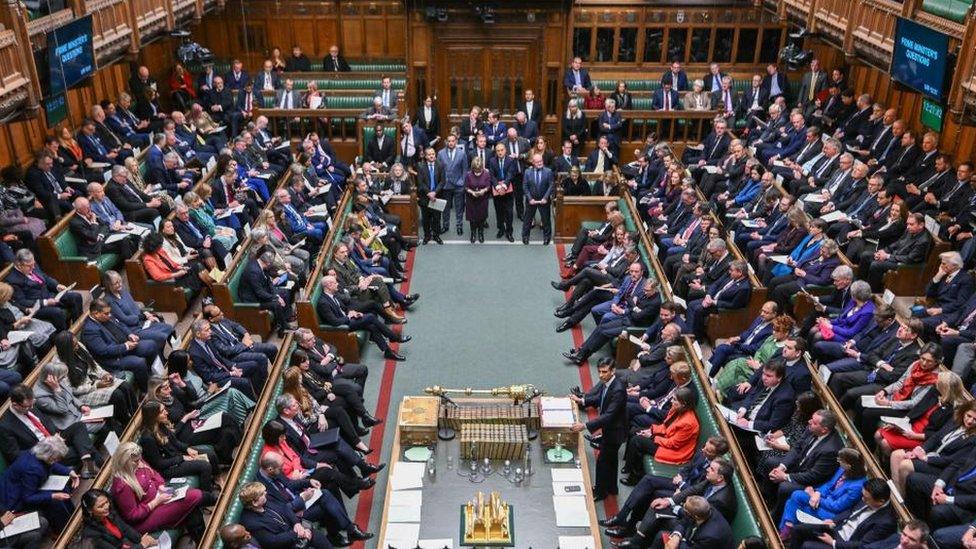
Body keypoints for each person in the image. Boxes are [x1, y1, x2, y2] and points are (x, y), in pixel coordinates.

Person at [109, 442, 210, 537]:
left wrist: (161, 486)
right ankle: (215, 499)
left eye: (140, 459)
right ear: (125, 462)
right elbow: (132, 515)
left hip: (159, 496)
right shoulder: (122, 485)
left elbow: (155, 475)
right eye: (136, 461)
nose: (140, 463)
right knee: (194, 496)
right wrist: (156, 502)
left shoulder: (137, 461)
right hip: (145, 518)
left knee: (193, 513)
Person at [54, 330, 138, 425]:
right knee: (116, 395)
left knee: (125, 386)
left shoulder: (79, 347)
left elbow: (93, 364)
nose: (77, 346)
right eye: (74, 345)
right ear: (66, 349)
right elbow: (72, 389)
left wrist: (104, 374)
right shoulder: (59, 366)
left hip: (94, 381)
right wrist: (96, 386)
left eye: (76, 342)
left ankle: (137, 414)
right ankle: (127, 423)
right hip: (82, 393)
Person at [570, 358, 625, 501]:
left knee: (602, 462)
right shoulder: (607, 383)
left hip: (615, 432)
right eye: (599, 371)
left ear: (613, 371)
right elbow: (600, 398)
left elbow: (609, 415)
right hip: (611, 429)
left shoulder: (618, 390)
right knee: (612, 461)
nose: (601, 375)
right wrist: (582, 400)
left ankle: (601, 492)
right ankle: (612, 488)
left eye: (604, 372)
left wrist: (585, 426)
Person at [316, 275, 409, 361]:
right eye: (335, 283)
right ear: (328, 285)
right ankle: (393, 337)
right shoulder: (323, 303)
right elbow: (334, 322)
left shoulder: (333, 295)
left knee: (371, 326)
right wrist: (348, 317)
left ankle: (387, 352)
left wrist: (353, 312)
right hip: (341, 327)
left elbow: (344, 308)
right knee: (371, 317)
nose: (337, 284)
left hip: (347, 319)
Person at [785, 479, 898, 549]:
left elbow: (863, 545)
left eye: (866, 498)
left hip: (845, 543)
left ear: (881, 501)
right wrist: (834, 520)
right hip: (837, 529)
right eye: (863, 496)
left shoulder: (886, 522)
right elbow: (850, 511)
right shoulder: (868, 496)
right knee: (798, 530)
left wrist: (833, 543)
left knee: (807, 546)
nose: (862, 499)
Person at [779, 448, 867, 538]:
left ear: (849, 465)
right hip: (822, 501)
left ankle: (785, 532)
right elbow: (829, 485)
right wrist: (818, 493)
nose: (838, 461)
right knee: (795, 499)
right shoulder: (842, 469)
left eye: (840, 460)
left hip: (831, 513)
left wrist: (814, 496)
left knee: (793, 502)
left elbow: (837, 507)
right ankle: (787, 532)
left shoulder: (857, 486)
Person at [622, 386, 700, 485]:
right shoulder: (676, 408)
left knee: (637, 441)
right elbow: (665, 426)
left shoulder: (689, 423)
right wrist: (651, 431)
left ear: (684, 404)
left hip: (674, 450)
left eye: (675, 400)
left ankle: (634, 478)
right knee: (634, 431)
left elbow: (673, 444)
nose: (671, 401)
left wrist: (652, 436)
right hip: (666, 438)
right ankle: (629, 464)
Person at [0, 435, 78, 533]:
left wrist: (69, 472)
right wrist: (53, 496)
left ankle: (74, 519)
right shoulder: (33, 469)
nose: (57, 461)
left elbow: (51, 464)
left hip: (27, 487)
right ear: (49, 457)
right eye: (56, 458)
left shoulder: (37, 451)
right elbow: (28, 497)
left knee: (64, 489)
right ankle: (64, 532)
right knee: (54, 502)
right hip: (15, 501)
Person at [5, 249, 83, 331]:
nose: (33, 267)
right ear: (19, 265)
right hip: (36, 307)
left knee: (76, 297)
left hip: (50, 296)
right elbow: (22, 301)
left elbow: (45, 277)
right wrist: (45, 302)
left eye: (33, 264)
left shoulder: (32, 265)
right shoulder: (12, 280)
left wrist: (57, 285)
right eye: (29, 266)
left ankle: (78, 329)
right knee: (58, 312)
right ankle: (65, 338)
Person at [189, 318, 267, 400]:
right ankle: (254, 405)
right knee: (244, 382)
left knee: (253, 365)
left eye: (209, 329)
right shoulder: (195, 353)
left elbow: (219, 357)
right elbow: (209, 376)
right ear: (198, 334)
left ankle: (261, 394)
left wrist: (232, 367)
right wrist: (231, 373)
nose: (210, 331)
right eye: (207, 330)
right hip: (216, 379)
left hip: (225, 368)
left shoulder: (207, 339)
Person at [238, 481, 331, 548]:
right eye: (262, 494)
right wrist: (297, 534)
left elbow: (285, 508)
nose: (265, 494)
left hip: (295, 528)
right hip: (286, 544)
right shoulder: (251, 522)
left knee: (317, 536)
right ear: (254, 503)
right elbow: (273, 541)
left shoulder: (266, 500)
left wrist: (296, 524)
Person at [80, 488, 158, 548]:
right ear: (90, 510)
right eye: (101, 506)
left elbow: (126, 529)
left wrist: (141, 539)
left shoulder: (109, 513)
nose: (106, 507)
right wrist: (142, 545)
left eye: (106, 502)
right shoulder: (91, 535)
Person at [522, 152, 554, 245]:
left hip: (544, 200)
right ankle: (525, 236)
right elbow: (525, 187)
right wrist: (529, 198)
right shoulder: (527, 172)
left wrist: (545, 197)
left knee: (546, 220)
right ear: (533, 162)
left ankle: (547, 237)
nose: (540, 163)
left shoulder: (548, 171)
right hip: (531, 200)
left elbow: (551, 186)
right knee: (527, 220)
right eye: (537, 162)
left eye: (541, 161)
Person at [464, 156, 492, 243]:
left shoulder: (486, 174)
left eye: (479, 170)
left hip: (482, 200)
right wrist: (472, 192)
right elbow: (465, 187)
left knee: (481, 217)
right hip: (471, 199)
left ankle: (480, 232)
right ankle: (473, 233)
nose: (477, 172)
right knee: (472, 218)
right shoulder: (468, 174)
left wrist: (483, 191)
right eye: (476, 170)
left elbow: (488, 186)